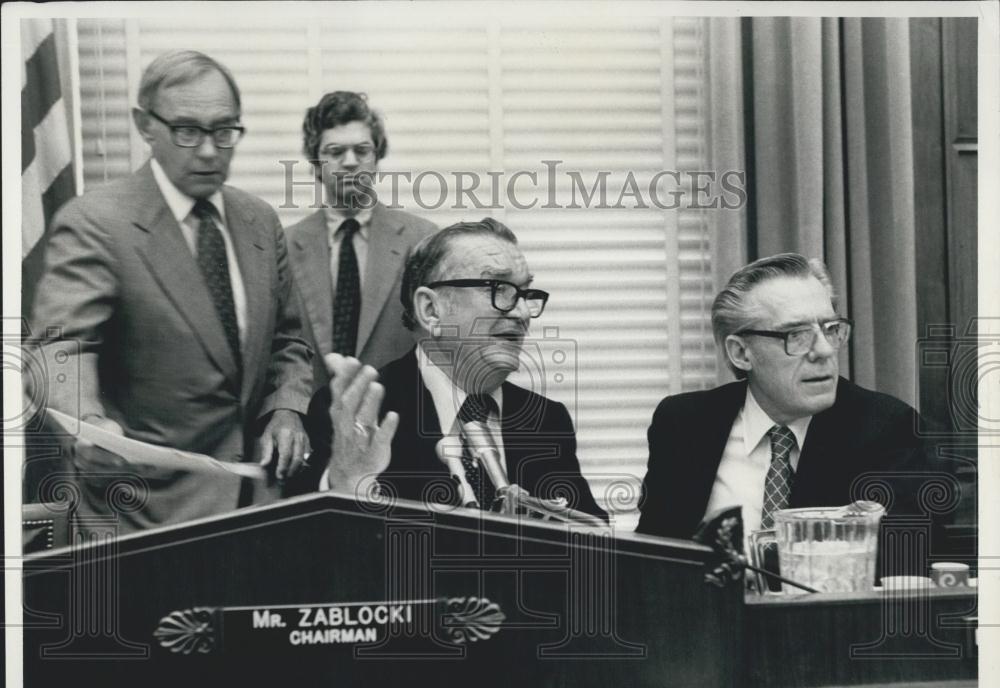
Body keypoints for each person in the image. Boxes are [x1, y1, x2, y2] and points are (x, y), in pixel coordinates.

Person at [28, 50, 313, 532]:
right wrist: (88, 421)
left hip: (258, 505)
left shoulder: (260, 221)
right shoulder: (97, 222)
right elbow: (61, 345)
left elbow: (290, 341)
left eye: (224, 131)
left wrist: (287, 409)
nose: (208, 150)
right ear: (145, 125)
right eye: (188, 130)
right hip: (143, 512)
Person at [636, 253, 951, 576]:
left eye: (831, 329)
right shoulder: (683, 423)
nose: (825, 351)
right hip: (707, 622)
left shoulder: (888, 427)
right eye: (796, 335)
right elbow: (650, 559)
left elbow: (897, 563)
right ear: (742, 353)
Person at [306, 218, 606, 522]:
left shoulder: (546, 421)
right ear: (431, 311)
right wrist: (344, 487)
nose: (522, 312)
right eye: (499, 289)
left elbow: (598, 548)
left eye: (525, 293)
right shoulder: (358, 416)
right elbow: (308, 556)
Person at [285, 91, 437, 391]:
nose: (350, 162)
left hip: (397, 423)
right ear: (316, 164)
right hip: (310, 425)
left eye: (362, 150)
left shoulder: (423, 240)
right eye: (335, 152)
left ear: (376, 159)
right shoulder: (284, 246)